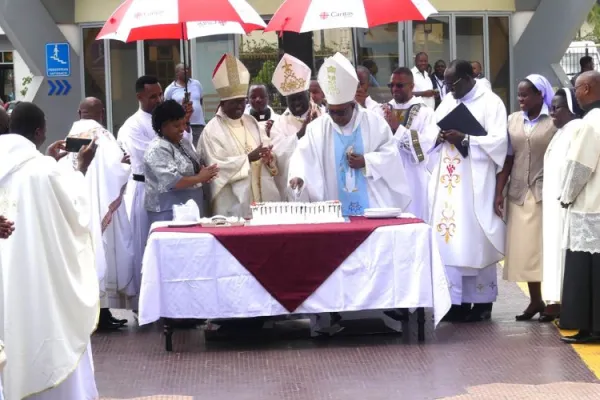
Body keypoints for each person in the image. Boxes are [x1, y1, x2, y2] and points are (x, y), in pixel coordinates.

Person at [0, 102, 99, 400]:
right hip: (37, 280)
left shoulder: (41, 166)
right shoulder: (45, 170)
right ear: (40, 131)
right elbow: (76, 211)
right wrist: (80, 167)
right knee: (46, 324)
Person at [430, 60, 508, 322]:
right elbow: (433, 130)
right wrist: (439, 137)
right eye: (446, 84)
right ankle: (457, 302)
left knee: (476, 239)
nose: (450, 89)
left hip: (476, 181)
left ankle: (483, 302)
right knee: (452, 239)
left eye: (453, 83)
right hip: (449, 185)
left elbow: (499, 141)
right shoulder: (450, 101)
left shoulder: (491, 102)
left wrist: (465, 138)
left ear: (467, 77)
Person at [288, 52, 411, 216]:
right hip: (332, 212)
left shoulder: (374, 122)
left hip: (371, 208)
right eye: (332, 112)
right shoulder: (317, 128)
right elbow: (301, 157)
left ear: (352, 104)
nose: (336, 117)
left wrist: (366, 161)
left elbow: (391, 155)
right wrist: (298, 177)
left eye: (341, 112)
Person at [63, 97, 136, 331]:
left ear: (78, 112)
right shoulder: (102, 134)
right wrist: (126, 166)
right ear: (102, 113)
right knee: (105, 254)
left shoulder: (71, 135)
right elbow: (117, 167)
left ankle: (95, 315)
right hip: (104, 205)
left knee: (89, 257)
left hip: (81, 205)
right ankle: (102, 315)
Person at [497, 75, 556, 321]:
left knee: (545, 249)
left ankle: (554, 302)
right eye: (519, 94)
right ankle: (535, 300)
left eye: (525, 94)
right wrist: (498, 191)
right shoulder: (513, 120)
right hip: (519, 192)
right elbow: (508, 159)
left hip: (546, 192)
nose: (520, 99)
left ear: (540, 94)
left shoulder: (554, 121)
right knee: (525, 250)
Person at [200, 54, 280, 218]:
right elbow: (215, 169)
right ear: (222, 103)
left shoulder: (251, 122)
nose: (239, 106)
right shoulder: (211, 131)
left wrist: (269, 158)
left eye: (242, 101)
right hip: (231, 202)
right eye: (234, 102)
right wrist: (247, 159)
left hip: (260, 197)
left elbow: (267, 151)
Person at [559, 70, 600, 344]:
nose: (574, 94)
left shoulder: (592, 122)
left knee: (586, 271)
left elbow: (580, 166)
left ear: (586, 89)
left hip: (590, 205)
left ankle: (589, 327)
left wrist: (566, 195)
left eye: (576, 89)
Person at [541, 88, 584, 323]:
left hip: (566, 205)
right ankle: (557, 302)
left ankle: (566, 304)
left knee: (564, 254)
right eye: (551, 108)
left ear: (570, 109)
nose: (551, 113)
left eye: (556, 108)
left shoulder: (576, 129)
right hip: (554, 206)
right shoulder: (561, 132)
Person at [144, 100, 218, 225]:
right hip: (168, 210)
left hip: (191, 206)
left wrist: (205, 172)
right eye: (176, 126)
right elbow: (173, 181)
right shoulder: (157, 148)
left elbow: (195, 165)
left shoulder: (183, 142)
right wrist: (200, 177)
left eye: (183, 124)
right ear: (162, 126)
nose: (182, 129)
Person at [382, 67, 438, 220]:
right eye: (391, 85)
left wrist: (397, 129)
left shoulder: (425, 113)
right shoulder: (383, 110)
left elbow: (427, 144)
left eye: (399, 85)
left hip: (413, 177)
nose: (394, 89)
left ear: (412, 86)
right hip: (388, 176)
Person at [270, 53, 322, 199]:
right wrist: (300, 134)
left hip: (320, 186)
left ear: (308, 95)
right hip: (293, 190)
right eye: (291, 100)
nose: (296, 103)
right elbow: (277, 155)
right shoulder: (279, 124)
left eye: (299, 98)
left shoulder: (323, 116)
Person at [164, 63, 206, 147]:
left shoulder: (196, 84)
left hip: (199, 124)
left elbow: (200, 100)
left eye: (188, 69)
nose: (187, 71)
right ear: (177, 73)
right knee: (188, 149)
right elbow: (167, 109)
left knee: (201, 149)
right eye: (183, 69)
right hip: (182, 126)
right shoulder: (170, 90)